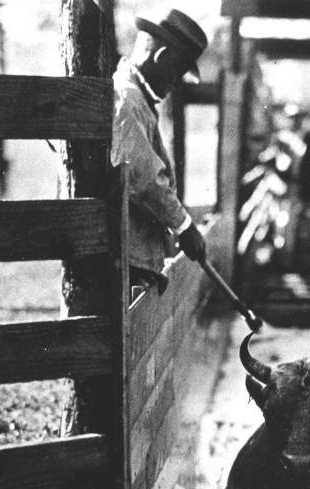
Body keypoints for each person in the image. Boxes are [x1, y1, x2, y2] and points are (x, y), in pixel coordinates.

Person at [111, 9, 209, 294]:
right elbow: (142, 176)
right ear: (162, 58)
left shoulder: (139, 101)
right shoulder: (127, 99)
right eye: (178, 73)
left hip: (135, 257)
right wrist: (184, 226)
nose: (177, 83)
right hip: (121, 258)